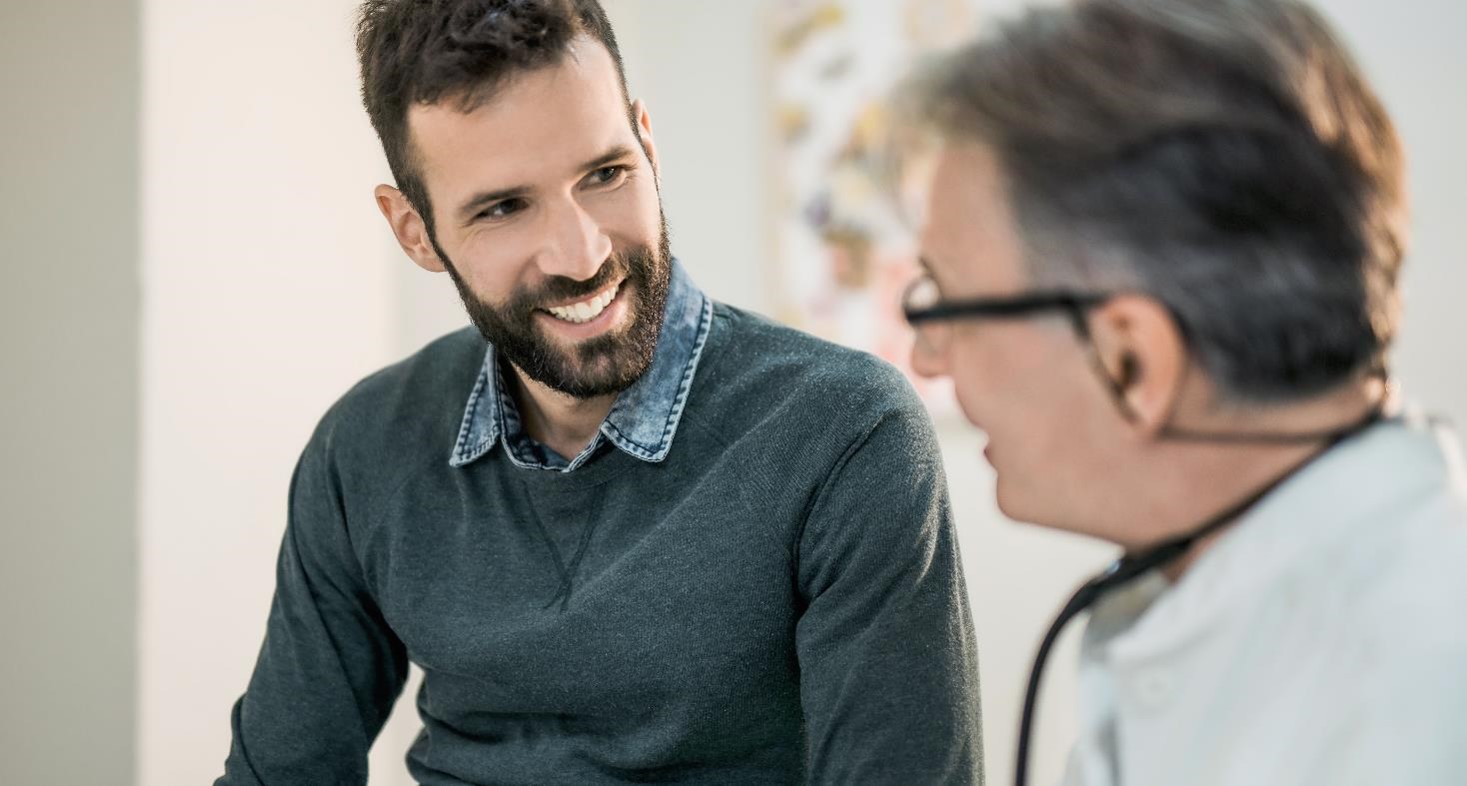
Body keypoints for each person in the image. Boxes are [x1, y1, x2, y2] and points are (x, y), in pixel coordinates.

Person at [215, 1, 983, 784]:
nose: (581, 255)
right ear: (415, 232)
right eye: (504, 207)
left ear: (647, 144)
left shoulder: (846, 435)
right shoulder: (364, 447)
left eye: (605, 173)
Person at [896, 0, 1467, 784]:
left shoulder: (1421, 690)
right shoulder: (1204, 579)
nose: (926, 361)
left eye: (946, 308)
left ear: (1129, 361)